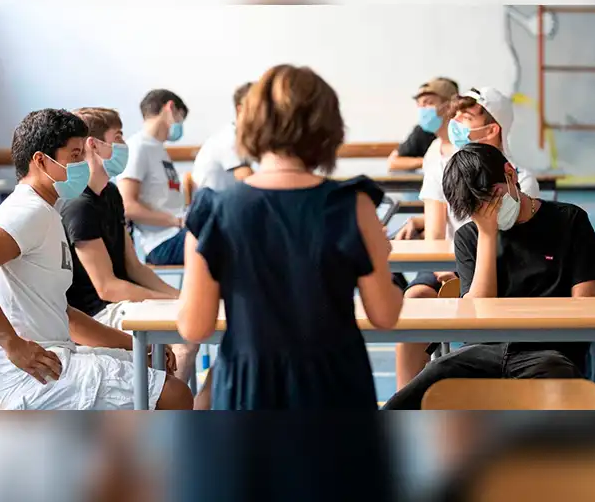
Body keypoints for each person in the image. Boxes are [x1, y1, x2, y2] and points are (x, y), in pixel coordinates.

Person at [177, 64, 404, 410]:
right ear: (328, 128)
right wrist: (382, 260)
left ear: (248, 122)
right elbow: (385, 316)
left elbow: (194, 327)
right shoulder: (354, 206)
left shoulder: (213, 212)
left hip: (248, 383)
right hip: (334, 382)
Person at [0, 109, 192, 410]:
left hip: (51, 359)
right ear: (40, 161)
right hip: (29, 378)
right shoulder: (28, 211)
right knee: (176, 395)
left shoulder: (45, 211)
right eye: (74, 155)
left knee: (152, 367)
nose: (81, 165)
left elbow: (64, 315)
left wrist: (138, 347)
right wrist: (12, 344)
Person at [383, 143, 595, 409]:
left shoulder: (570, 221)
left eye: (491, 200)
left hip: (548, 352)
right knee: (408, 399)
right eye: (475, 209)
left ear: (510, 175)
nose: (486, 213)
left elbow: (585, 309)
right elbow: (478, 313)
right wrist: (488, 235)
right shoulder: (469, 237)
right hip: (481, 353)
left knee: (558, 391)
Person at [393, 87, 541, 388]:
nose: (456, 123)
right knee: (415, 299)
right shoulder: (440, 169)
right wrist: (444, 272)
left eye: (466, 117)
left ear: (492, 129)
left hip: (498, 265)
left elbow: (512, 242)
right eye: (455, 116)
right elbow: (435, 233)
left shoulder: (522, 180)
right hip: (448, 261)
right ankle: (405, 395)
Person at [60, 107, 203, 393]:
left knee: (190, 321)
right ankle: (169, 402)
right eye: (118, 137)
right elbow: (107, 288)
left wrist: (178, 296)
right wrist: (167, 301)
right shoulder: (79, 206)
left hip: (120, 304)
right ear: (94, 145)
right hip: (97, 316)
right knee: (185, 337)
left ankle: (168, 399)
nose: (124, 145)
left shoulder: (111, 194)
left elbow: (134, 267)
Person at [119, 89, 188, 266]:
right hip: (162, 242)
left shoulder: (159, 149)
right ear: (170, 108)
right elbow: (128, 206)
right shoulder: (138, 147)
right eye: (180, 118)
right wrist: (177, 221)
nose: (180, 124)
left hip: (176, 234)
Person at [191, 82, 255, 191]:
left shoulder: (243, 137)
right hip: (212, 206)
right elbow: (248, 179)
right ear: (240, 109)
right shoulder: (228, 139)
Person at [386, 77, 459, 172]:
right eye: (419, 104)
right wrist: (429, 162)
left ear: (449, 107)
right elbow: (393, 162)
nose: (422, 109)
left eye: (428, 102)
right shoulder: (434, 148)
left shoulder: (465, 138)